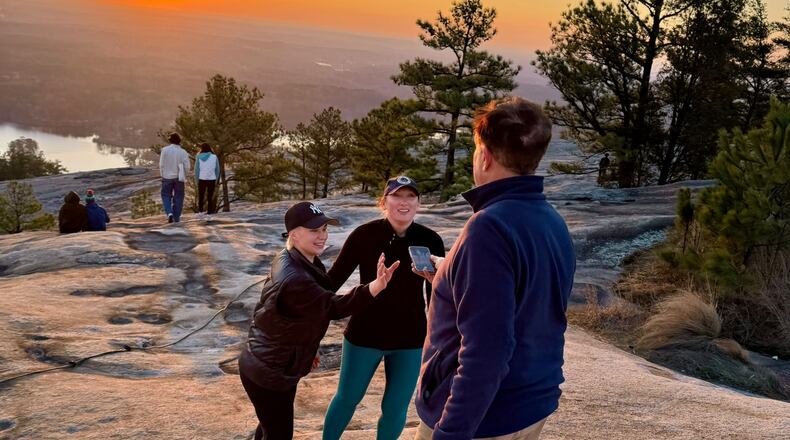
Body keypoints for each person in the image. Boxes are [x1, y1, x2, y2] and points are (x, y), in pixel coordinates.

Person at [412, 97, 576, 440]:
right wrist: (447, 274)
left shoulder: (488, 227)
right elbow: (526, 298)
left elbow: (487, 350)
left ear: (484, 156)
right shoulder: (549, 220)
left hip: (482, 418)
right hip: (531, 402)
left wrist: (450, 433)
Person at [238, 201, 401, 440]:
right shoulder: (296, 278)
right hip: (269, 372)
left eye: (324, 229)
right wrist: (375, 286)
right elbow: (333, 307)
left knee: (269, 426)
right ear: (294, 234)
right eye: (315, 230)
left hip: (270, 362)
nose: (322, 236)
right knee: (279, 433)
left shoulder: (295, 257)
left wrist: (308, 349)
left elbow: (293, 316)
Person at [322, 176, 445, 440]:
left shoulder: (430, 239)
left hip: (410, 339)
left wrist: (437, 339)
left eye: (411, 196)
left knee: (395, 408)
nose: (404, 202)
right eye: (397, 196)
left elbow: (437, 296)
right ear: (384, 202)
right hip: (364, 335)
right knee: (347, 398)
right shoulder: (364, 235)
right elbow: (331, 282)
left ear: (419, 203)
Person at [158, 132, 191, 223]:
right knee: (179, 196)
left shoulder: (164, 150)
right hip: (179, 177)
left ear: (170, 141)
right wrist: (184, 174)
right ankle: (176, 218)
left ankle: (169, 213)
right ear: (179, 141)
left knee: (165, 195)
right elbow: (187, 166)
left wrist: (162, 174)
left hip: (166, 177)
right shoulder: (183, 152)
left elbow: (161, 164)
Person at [194, 142, 220, 215]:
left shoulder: (198, 157)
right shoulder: (214, 157)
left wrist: (197, 179)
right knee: (210, 196)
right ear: (209, 148)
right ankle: (209, 212)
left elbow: (196, 170)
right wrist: (216, 179)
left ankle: (200, 211)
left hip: (202, 178)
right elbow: (217, 169)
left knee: (201, 196)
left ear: (201, 149)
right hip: (212, 179)